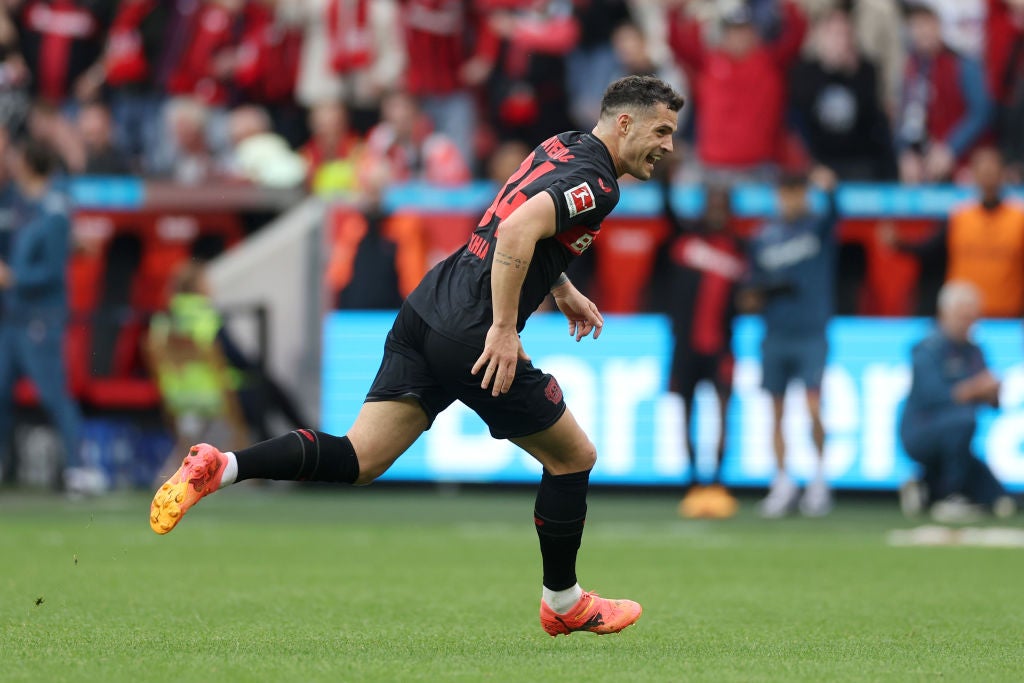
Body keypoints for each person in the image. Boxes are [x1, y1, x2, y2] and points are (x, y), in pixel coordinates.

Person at [149, 75, 684, 636]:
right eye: (662, 131)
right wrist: (504, 328)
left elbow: (519, 216)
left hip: (427, 307)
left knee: (359, 459)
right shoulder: (599, 183)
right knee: (573, 457)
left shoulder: (563, 144)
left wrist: (561, 289)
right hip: (475, 330)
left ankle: (222, 467)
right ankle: (563, 601)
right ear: (625, 124)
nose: (668, 146)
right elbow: (520, 229)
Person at [0, 138, 103, 494]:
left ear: (29, 161)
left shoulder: (54, 207)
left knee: (52, 393)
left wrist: (13, 277)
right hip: (13, 315)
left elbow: (54, 270)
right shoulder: (18, 201)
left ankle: (78, 467)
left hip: (40, 315)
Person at [741, 166, 838, 518]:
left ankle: (819, 479)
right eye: (787, 192)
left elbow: (835, 214)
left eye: (798, 191)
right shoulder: (764, 236)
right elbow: (752, 286)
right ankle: (782, 482)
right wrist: (755, 296)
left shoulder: (818, 227)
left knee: (813, 406)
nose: (792, 199)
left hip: (811, 331)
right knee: (777, 411)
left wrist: (830, 191)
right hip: (776, 332)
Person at [651, 173, 744, 519]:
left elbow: (749, 294)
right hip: (685, 345)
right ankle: (692, 483)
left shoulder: (739, 248)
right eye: (713, 204)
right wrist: (666, 173)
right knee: (685, 414)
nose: (717, 211)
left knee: (722, 413)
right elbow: (666, 207)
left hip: (721, 346)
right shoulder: (686, 236)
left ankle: (718, 482)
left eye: (723, 205)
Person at [899, 281, 1017, 523]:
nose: (968, 325)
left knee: (997, 497)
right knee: (963, 421)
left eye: (972, 318)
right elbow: (936, 395)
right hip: (920, 430)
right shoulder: (927, 349)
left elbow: (992, 402)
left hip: (956, 437)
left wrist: (993, 391)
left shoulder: (974, 351)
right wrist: (977, 388)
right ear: (944, 314)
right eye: (963, 318)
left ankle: (924, 486)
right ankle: (949, 496)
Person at [885, 146, 1024, 318]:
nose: (988, 175)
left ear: (1003, 174)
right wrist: (900, 243)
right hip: (964, 316)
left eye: (993, 169)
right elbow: (930, 248)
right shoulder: (959, 217)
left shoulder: (1019, 218)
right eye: (983, 170)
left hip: (1009, 315)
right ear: (973, 174)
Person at [895, 1, 993, 184]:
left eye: (927, 25)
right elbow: (905, 117)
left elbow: (982, 112)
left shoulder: (962, 64)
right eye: (916, 26)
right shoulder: (911, 69)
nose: (922, 32)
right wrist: (906, 152)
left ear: (938, 26)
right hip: (925, 165)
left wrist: (951, 148)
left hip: (963, 163)